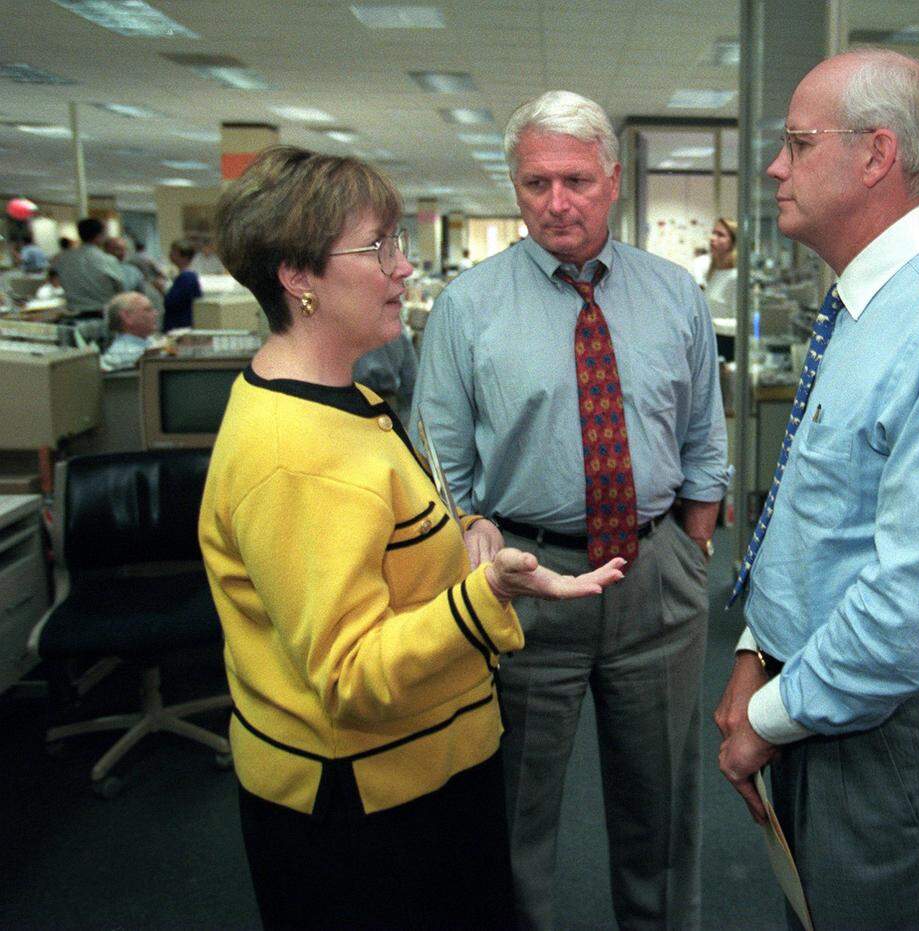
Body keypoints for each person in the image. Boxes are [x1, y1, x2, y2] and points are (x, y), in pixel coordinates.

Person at [198, 145, 624, 930]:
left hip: (421, 770)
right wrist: (483, 595)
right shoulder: (295, 454)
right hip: (367, 809)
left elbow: (380, 534)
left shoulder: (345, 397)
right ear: (297, 275)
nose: (403, 270)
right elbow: (348, 675)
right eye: (379, 248)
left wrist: (465, 530)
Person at [714, 48, 919, 929]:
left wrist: (773, 712)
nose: (776, 167)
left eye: (796, 142)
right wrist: (756, 649)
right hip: (822, 698)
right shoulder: (861, 307)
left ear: (875, 156)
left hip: (887, 737)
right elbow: (812, 509)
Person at [413, 90, 730, 930]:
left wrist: (690, 554)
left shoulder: (675, 295)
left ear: (614, 180)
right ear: (515, 188)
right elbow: (437, 460)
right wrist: (470, 531)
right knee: (514, 819)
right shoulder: (466, 307)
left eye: (577, 180)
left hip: (655, 579)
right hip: (524, 580)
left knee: (661, 813)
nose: (558, 202)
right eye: (536, 183)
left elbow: (705, 441)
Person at [53, 217, 125, 316]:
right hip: (102, 314)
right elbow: (120, 288)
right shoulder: (107, 260)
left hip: (73, 313)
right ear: (100, 235)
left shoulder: (62, 259)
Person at [352, 328, 418, 426]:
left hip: (352, 404)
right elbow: (410, 382)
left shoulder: (347, 328)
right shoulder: (398, 331)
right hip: (387, 408)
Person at [100, 292, 159, 371]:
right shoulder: (125, 355)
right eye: (147, 310)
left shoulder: (145, 341)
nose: (155, 313)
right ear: (127, 317)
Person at [163, 239, 201, 331]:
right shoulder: (185, 276)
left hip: (179, 325)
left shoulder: (186, 277)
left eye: (173, 252)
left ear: (183, 256)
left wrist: (161, 289)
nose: (170, 254)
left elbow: (172, 302)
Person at [703, 217, 737, 318]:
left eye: (720, 235)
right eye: (713, 233)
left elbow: (738, 322)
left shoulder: (735, 277)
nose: (712, 238)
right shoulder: (714, 272)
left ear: (733, 243)